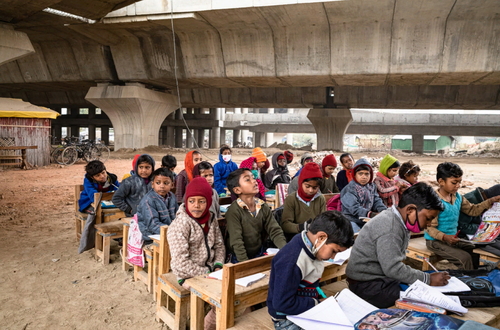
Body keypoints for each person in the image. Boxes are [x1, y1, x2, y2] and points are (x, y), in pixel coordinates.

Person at [346, 183, 450, 308]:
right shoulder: (390, 228)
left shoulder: (396, 218)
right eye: (428, 218)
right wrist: (427, 279)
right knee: (421, 301)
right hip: (366, 286)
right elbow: (393, 269)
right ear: (410, 210)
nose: (429, 224)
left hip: (379, 279)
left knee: (419, 289)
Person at [267, 211, 354, 330]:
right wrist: (317, 304)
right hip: (287, 320)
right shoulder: (293, 261)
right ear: (321, 237)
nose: (333, 257)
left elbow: (311, 282)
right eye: (334, 251)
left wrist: (321, 302)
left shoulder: (313, 247)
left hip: (305, 310)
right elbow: (282, 304)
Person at [167, 177, 225, 330]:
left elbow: (219, 245)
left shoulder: (211, 218)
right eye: (192, 201)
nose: (197, 206)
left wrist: (218, 266)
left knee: (235, 293)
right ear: (186, 201)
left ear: (208, 202)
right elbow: (180, 263)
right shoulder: (181, 224)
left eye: (202, 201)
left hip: (212, 271)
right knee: (222, 300)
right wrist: (207, 272)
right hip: (187, 275)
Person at [425, 162, 500, 270]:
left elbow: (472, 210)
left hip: (453, 239)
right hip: (435, 241)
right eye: (454, 182)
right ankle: (467, 282)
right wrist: (445, 237)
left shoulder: (458, 197)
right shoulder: (434, 201)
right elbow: (430, 228)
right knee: (464, 259)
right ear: (441, 181)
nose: (458, 186)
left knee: (477, 250)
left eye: (459, 182)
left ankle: (475, 279)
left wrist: (490, 201)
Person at [225, 168, 287, 262]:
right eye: (247, 179)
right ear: (237, 190)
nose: (254, 181)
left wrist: (286, 251)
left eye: (253, 178)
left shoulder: (262, 206)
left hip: (258, 252)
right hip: (239, 257)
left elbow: (275, 231)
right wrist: (245, 264)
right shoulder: (234, 211)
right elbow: (236, 242)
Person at [281, 162, 327, 242]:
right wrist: (301, 227)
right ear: (300, 183)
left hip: (316, 238)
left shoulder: (320, 199)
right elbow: (285, 225)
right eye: (307, 186)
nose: (310, 190)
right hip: (296, 238)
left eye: (315, 188)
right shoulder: (291, 199)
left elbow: (323, 220)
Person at [340, 158, 387, 233]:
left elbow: (376, 200)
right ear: (355, 175)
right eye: (360, 174)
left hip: (367, 219)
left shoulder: (371, 186)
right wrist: (370, 214)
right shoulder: (349, 189)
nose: (364, 177)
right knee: (358, 235)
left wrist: (383, 210)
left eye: (367, 174)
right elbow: (354, 208)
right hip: (351, 220)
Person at [136, 168, 178, 244]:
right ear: (152, 184)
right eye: (158, 183)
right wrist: (173, 231)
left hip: (169, 232)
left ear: (172, 185)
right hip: (150, 236)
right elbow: (153, 224)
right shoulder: (148, 200)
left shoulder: (171, 196)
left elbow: (178, 216)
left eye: (166, 183)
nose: (162, 186)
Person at [458, 184, 500, 256]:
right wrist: (484, 228)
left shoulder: (485, 197)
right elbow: (462, 227)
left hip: (482, 233)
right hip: (465, 236)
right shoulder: (471, 200)